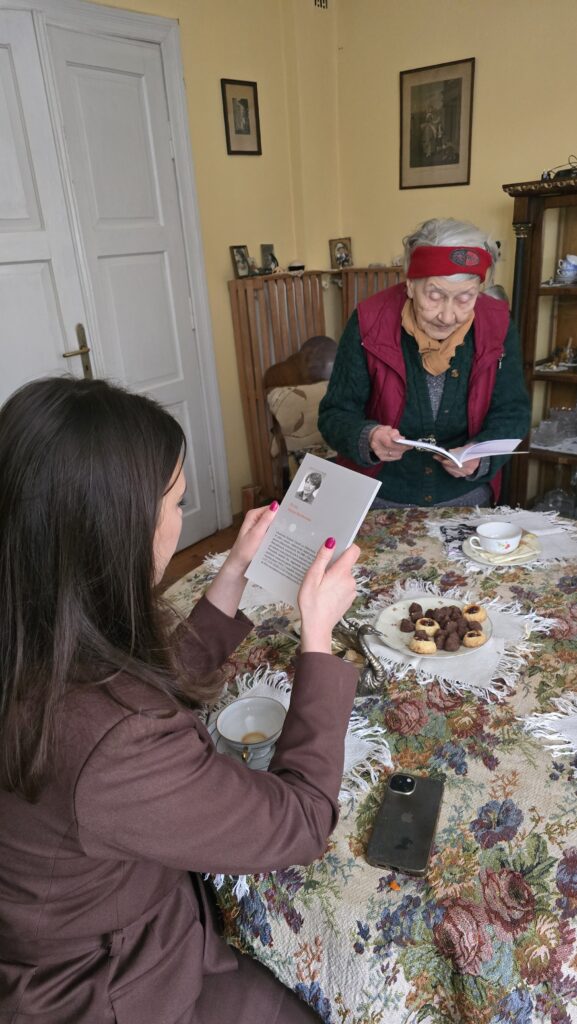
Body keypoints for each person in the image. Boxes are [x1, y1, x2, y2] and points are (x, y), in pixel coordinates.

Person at [0, 377, 360, 1024]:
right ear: (115, 529)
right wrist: (316, 640)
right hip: (108, 986)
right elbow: (300, 822)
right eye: (177, 503)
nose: (182, 519)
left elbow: (130, 688)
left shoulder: (34, 631)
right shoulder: (115, 740)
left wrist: (231, 576)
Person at [318, 217, 531, 509]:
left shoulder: (498, 325)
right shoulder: (370, 322)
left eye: (465, 298)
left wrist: (481, 458)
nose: (447, 316)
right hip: (379, 497)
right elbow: (335, 414)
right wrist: (367, 437)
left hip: (464, 499)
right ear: (410, 284)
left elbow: (512, 410)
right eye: (434, 295)